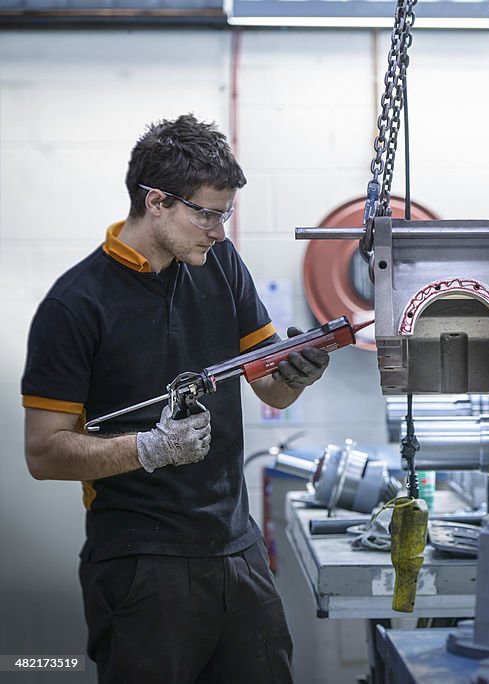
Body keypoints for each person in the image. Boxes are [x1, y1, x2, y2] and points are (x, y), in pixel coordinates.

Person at [21, 114, 328, 683]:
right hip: (141, 562)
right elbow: (43, 454)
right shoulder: (75, 306)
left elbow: (269, 387)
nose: (218, 230)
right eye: (207, 213)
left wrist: (299, 374)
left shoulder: (221, 265)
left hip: (236, 548)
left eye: (224, 214)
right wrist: (152, 449)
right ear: (157, 201)